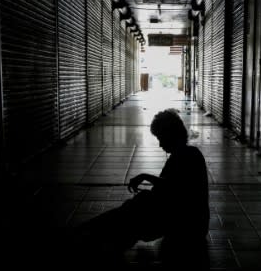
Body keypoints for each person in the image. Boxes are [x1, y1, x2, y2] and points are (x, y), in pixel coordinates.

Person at [75, 108, 209, 253]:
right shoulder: (184, 154)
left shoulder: (187, 156)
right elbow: (168, 190)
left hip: (189, 226)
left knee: (131, 214)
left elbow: (176, 189)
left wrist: (146, 178)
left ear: (171, 135)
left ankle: (88, 237)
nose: (160, 144)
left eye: (161, 138)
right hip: (189, 222)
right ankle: (93, 236)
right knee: (133, 210)